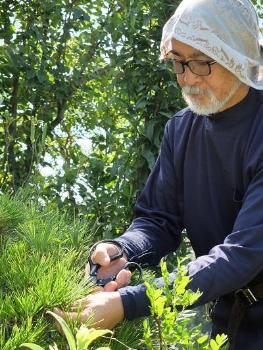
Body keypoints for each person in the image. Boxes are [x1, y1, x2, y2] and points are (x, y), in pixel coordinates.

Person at [56, 0, 263, 348]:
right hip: (232, 317)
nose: (186, 77)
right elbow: (158, 220)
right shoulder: (181, 130)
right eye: (178, 62)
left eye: (199, 61)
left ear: (235, 53)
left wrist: (128, 303)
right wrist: (122, 249)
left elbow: (243, 253)